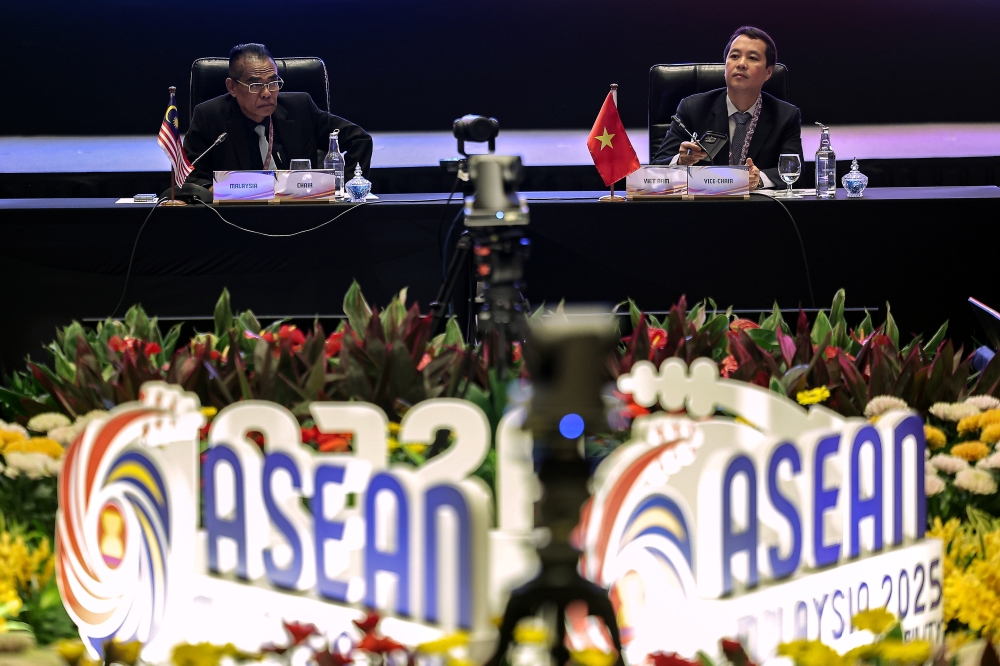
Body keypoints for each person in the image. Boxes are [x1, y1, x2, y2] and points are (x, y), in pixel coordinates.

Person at [183, 43, 372, 187]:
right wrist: (215, 190)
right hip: (237, 219)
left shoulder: (300, 108)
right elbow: (187, 175)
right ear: (232, 87)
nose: (267, 93)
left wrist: (344, 188)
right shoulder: (209, 117)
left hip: (298, 216)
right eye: (255, 85)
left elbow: (359, 140)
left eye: (273, 83)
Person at [651, 27, 802, 190]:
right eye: (735, 56)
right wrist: (681, 162)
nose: (741, 64)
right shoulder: (693, 109)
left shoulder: (785, 116)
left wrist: (758, 179)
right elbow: (655, 170)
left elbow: (795, 172)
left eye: (752, 58)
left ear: (768, 72)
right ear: (726, 66)